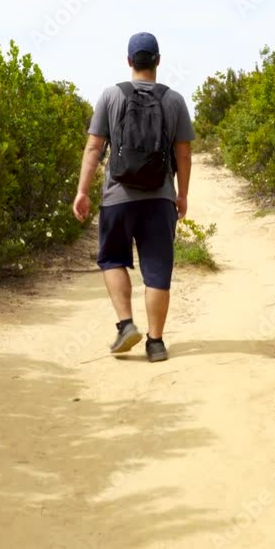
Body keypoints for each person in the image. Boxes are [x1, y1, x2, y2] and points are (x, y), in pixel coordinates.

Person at [72, 32, 195, 363]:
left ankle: (126, 324)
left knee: (112, 259)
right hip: (160, 199)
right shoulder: (174, 100)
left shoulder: (111, 95)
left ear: (129, 61)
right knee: (157, 271)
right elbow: (184, 154)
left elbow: (94, 148)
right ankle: (155, 343)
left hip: (118, 198)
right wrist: (182, 194)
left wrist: (82, 191)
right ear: (158, 61)